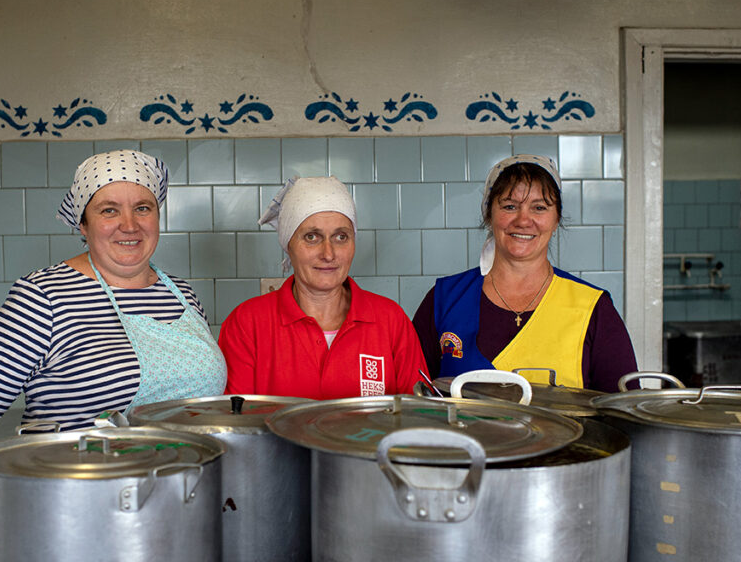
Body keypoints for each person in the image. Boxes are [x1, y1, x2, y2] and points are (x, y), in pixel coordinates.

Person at [0, 150, 226, 455]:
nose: (129, 225)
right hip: (78, 493)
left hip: (181, 486)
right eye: (109, 211)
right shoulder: (42, 297)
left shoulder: (182, 294)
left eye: (142, 208)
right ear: (84, 225)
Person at [412, 154, 637, 393]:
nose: (523, 220)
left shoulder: (593, 309)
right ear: (489, 215)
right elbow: (414, 395)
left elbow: (624, 411)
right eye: (510, 206)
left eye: (539, 208)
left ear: (556, 218)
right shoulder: (445, 299)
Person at [218, 176, 427, 398]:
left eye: (341, 237)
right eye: (311, 237)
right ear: (288, 245)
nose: (328, 254)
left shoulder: (390, 321)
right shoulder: (247, 324)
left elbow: (417, 416)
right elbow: (234, 422)